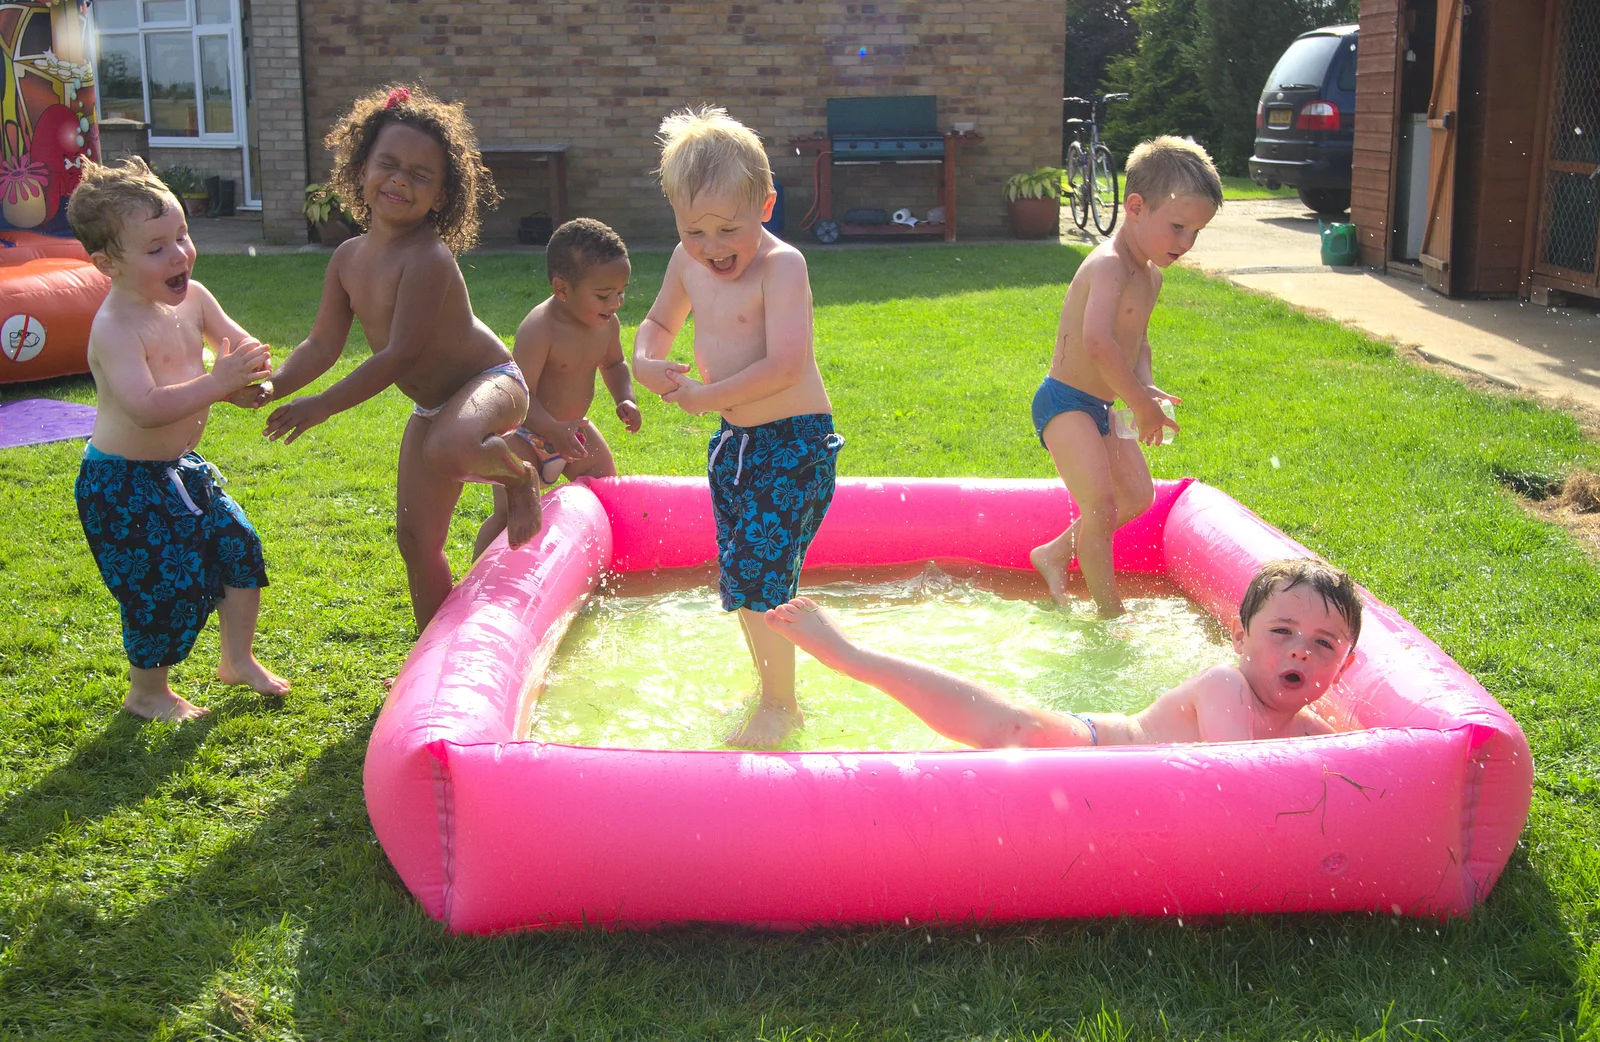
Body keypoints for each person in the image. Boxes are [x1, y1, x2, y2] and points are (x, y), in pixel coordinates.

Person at [257, 84, 539, 631]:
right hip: (435, 406)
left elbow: (397, 355)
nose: (400, 180)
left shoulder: (428, 257)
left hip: (492, 382)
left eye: (420, 174)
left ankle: (519, 478)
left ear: (441, 196)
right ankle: (432, 658)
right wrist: (276, 387)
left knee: (452, 446)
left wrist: (321, 407)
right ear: (361, 169)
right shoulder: (347, 258)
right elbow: (321, 344)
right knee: (416, 540)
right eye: (388, 164)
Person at [633, 105, 843, 748]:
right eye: (694, 229)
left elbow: (786, 365)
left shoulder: (783, 267)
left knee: (762, 574)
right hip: (739, 445)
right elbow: (659, 324)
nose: (712, 247)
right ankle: (773, 687)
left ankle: (782, 704)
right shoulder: (687, 259)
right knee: (745, 576)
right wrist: (644, 362)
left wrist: (705, 398)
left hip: (793, 444)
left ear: (767, 206)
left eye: (728, 228)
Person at [66, 157, 288, 722]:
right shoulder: (116, 327)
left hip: (181, 471)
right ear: (106, 264)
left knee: (240, 548)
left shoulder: (195, 298)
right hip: (120, 484)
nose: (180, 254)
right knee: (158, 588)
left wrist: (248, 376)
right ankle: (147, 693)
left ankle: (237, 659)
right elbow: (144, 409)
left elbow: (240, 346)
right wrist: (218, 383)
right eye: (156, 247)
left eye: (182, 235)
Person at [765, 558, 1361, 748]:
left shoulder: (1302, 726)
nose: (1301, 651)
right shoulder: (1226, 686)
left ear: (1345, 665)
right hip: (1101, 746)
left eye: (1323, 644)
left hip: (1120, 768)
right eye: (1281, 631)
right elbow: (1240, 782)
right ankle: (850, 655)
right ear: (1239, 640)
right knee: (1010, 725)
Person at [1029, 136, 1223, 617]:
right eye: (1178, 227)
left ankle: (1054, 553)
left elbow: (1137, 342)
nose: (1186, 243)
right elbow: (1098, 342)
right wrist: (1139, 403)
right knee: (1099, 507)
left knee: (1138, 495)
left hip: (1102, 405)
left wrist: (1146, 382)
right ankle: (1109, 614)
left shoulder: (1150, 274)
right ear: (1135, 207)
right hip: (1065, 402)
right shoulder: (1110, 266)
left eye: (1195, 232)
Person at [473, 217, 640, 558]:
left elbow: (614, 364)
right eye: (604, 295)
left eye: (621, 292)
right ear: (562, 290)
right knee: (511, 516)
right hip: (524, 438)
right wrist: (551, 429)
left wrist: (625, 397)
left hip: (574, 432)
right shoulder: (540, 328)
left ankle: (602, 567)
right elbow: (518, 396)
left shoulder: (605, 324)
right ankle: (475, 583)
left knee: (607, 493)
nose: (616, 303)